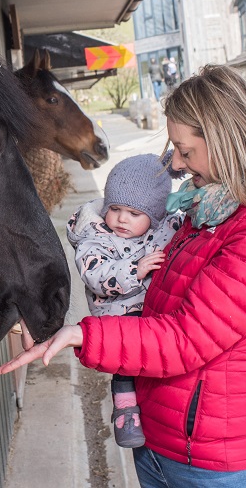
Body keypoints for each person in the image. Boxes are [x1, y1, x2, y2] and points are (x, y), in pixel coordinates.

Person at [0, 64, 246, 487]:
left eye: (185, 150)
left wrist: (82, 335)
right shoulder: (210, 208)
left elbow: (186, 339)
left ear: (225, 141)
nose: (176, 163)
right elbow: (151, 298)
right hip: (164, 443)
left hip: (214, 465)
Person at [66, 153, 183, 448]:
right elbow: (96, 276)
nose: (121, 219)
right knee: (126, 357)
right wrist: (135, 269)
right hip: (118, 313)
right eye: (115, 208)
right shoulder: (94, 236)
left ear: (154, 215)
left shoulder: (165, 227)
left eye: (134, 213)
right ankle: (125, 410)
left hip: (156, 308)